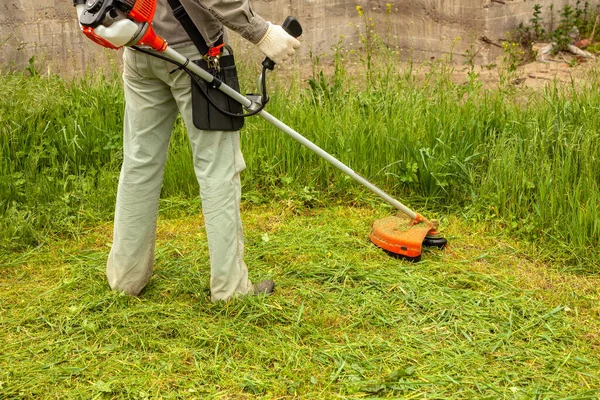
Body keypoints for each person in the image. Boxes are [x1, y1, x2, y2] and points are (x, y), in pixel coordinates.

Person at [76, 0, 300, 301]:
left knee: (140, 164)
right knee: (217, 170)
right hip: (194, 54)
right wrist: (261, 32)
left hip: (138, 48)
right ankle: (231, 291)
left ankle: (125, 279)